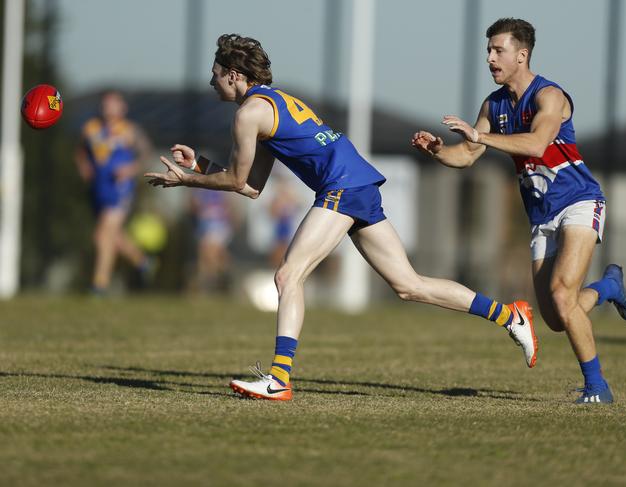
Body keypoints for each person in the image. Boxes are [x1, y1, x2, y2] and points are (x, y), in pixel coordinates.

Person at [145, 33, 538, 401]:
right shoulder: (270, 102)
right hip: (356, 183)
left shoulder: (249, 114)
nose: (212, 82)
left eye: (216, 75)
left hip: (343, 186)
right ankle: (509, 314)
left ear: (234, 75)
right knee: (409, 285)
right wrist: (199, 163)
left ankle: (279, 380)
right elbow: (251, 186)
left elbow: (235, 180)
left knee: (287, 275)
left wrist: (187, 180)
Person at [412, 18, 626, 404]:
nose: (489, 58)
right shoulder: (493, 104)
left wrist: (480, 136)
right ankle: (608, 287)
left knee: (563, 296)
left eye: (497, 50)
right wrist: (437, 151)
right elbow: (466, 155)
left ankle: (598, 387)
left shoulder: (549, 96)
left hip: (580, 201)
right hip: (542, 215)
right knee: (555, 317)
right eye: (488, 50)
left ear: (522, 54)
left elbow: (536, 144)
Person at [75, 90, 152, 294]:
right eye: (105, 103)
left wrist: (130, 169)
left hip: (121, 188)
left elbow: (145, 155)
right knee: (111, 235)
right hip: (99, 189)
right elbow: (81, 151)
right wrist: (84, 166)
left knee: (102, 236)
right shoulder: (91, 128)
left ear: (123, 108)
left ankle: (99, 284)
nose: (108, 107)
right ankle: (141, 260)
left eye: (113, 103)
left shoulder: (130, 130)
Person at [189, 187, 236, 292]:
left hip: (218, 226)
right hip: (204, 226)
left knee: (211, 254)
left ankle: (213, 283)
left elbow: (230, 206)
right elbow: (193, 206)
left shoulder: (222, 186)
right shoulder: (199, 187)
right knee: (206, 255)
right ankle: (213, 283)